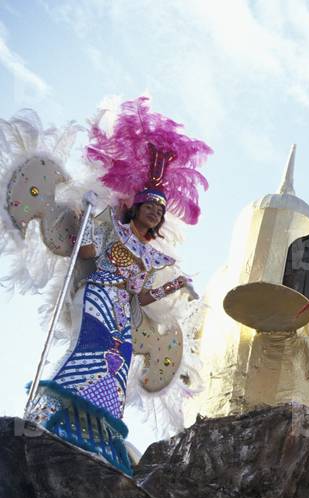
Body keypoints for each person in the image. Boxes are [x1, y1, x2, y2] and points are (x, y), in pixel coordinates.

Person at [23, 97, 210, 476]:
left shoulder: (152, 255)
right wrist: (89, 213)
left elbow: (140, 295)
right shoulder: (116, 230)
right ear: (137, 206)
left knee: (118, 359)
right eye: (150, 205)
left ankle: (92, 433)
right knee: (91, 348)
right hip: (99, 298)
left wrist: (168, 286)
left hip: (124, 312)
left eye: (160, 209)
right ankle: (51, 415)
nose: (156, 211)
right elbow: (90, 252)